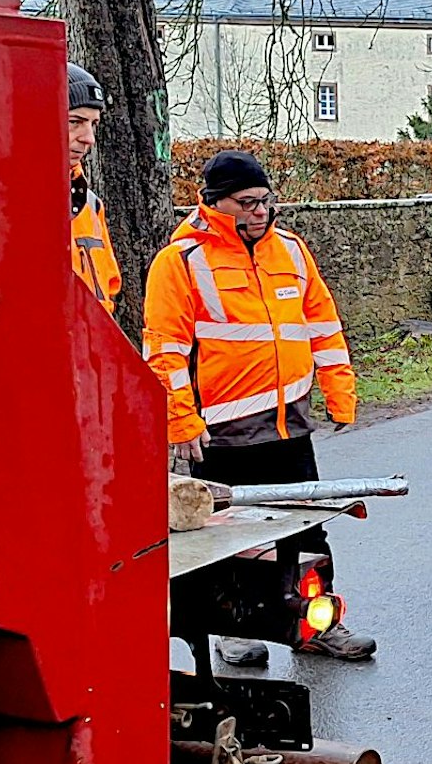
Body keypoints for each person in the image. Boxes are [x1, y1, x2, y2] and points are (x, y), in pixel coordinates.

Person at [143, 150, 377, 664]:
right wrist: (180, 421)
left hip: (289, 424)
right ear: (214, 204)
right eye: (247, 203)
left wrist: (340, 391)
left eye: (266, 201)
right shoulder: (181, 262)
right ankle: (231, 628)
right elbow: (164, 350)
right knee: (228, 538)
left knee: (307, 527)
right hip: (219, 433)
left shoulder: (291, 252)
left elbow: (323, 326)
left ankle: (320, 622)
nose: (260, 213)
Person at [66, 63, 119, 315]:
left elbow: (109, 289)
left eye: (93, 124)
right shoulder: (8, 203)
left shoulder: (90, 203)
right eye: (75, 121)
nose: (89, 138)